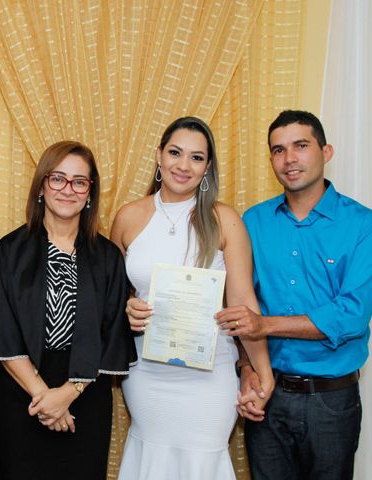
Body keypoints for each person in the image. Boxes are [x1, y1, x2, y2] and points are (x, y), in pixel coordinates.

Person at [111, 116, 274, 479]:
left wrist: (263, 372)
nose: (183, 166)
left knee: (202, 463)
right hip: (146, 374)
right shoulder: (127, 217)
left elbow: (244, 301)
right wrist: (126, 310)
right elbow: (112, 298)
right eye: (175, 153)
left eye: (197, 158)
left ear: (208, 167)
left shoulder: (224, 220)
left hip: (210, 375)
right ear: (158, 155)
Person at [216, 110, 372, 480]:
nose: (289, 159)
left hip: (331, 402)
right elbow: (236, 302)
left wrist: (263, 325)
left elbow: (351, 314)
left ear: (326, 151)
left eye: (300, 146)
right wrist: (245, 367)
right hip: (267, 395)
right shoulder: (252, 222)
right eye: (278, 150)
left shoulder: (363, 224)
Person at [0, 140, 136, 480]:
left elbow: (111, 335)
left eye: (80, 181)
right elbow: (1, 330)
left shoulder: (108, 257)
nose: (68, 189)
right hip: (22, 391)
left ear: (90, 192)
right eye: (58, 179)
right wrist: (43, 396)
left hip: (85, 393)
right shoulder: (9, 251)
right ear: (41, 186)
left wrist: (67, 394)